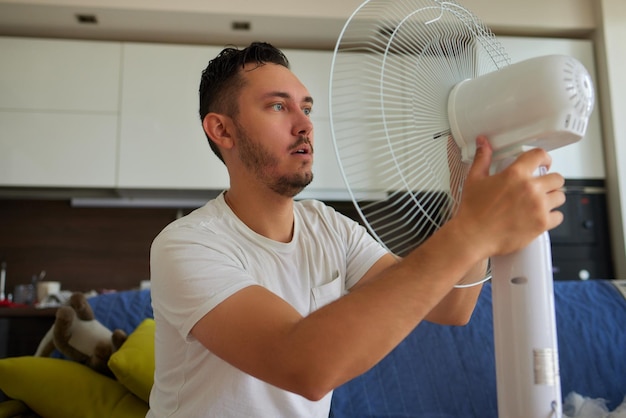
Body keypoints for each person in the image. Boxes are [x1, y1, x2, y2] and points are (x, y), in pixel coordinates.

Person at [147, 42, 565, 417]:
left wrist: (464, 187)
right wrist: (476, 230)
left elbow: (451, 307)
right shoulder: (186, 244)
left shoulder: (328, 227)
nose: (304, 124)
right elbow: (304, 366)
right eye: (278, 106)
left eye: (306, 108)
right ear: (222, 130)